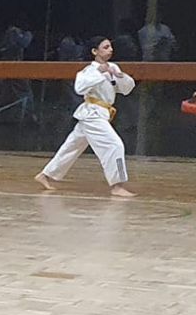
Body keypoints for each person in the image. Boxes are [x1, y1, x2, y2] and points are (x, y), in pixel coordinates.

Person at [36, 36, 135, 198]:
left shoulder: (113, 67)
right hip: (92, 114)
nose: (110, 50)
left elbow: (126, 89)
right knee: (115, 145)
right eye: (105, 47)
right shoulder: (89, 71)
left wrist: (119, 75)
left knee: (72, 146)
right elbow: (79, 88)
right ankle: (117, 185)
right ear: (95, 51)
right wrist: (99, 72)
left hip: (101, 113)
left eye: (110, 46)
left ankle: (45, 175)